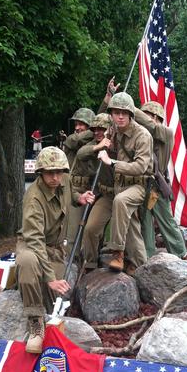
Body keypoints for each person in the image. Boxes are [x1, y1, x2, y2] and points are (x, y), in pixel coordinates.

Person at [15, 146, 95, 353]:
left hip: (56, 249)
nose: (55, 177)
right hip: (33, 245)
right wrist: (50, 277)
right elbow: (35, 240)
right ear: (40, 173)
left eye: (59, 171)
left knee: (53, 302)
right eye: (50, 172)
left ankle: (0, 290)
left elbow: (70, 194)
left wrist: (79, 198)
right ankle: (35, 325)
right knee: (28, 264)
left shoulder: (63, 181)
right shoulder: (33, 199)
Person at [98, 92, 154, 272]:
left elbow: (140, 167)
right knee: (130, 226)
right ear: (112, 114)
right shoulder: (114, 131)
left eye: (124, 112)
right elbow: (98, 124)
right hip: (120, 184)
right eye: (116, 112)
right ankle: (139, 263)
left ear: (131, 113)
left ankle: (118, 253)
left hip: (138, 184)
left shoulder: (142, 135)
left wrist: (111, 162)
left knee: (120, 202)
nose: (120, 116)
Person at [135, 101, 187, 258]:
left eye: (146, 115)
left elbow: (149, 125)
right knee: (145, 223)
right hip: (142, 184)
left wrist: (128, 106)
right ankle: (147, 256)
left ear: (155, 117)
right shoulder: (143, 136)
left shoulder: (165, 132)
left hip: (156, 185)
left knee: (167, 222)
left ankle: (180, 254)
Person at [77, 113, 114, 270]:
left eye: (101, 129)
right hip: (107, 195)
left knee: (131, 233)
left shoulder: (121, 142)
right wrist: (98, 147)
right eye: (95, 129)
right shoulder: (95, 143)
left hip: (126, 194)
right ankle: (91, 265)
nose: (97, 132)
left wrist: (112, 148)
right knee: (91, 228)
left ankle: (134, 264)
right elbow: (81, 154)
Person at [63, 107, 95, 257]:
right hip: (74, 189)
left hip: (92, 188)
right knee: (72, 231)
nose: (77, 127)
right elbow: (79, 139)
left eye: (82, 124)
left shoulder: (95, 143)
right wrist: (98, 128)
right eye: (76, 123)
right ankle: (71, 260)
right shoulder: (72, 140)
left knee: (93, 230)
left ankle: (90, 262)